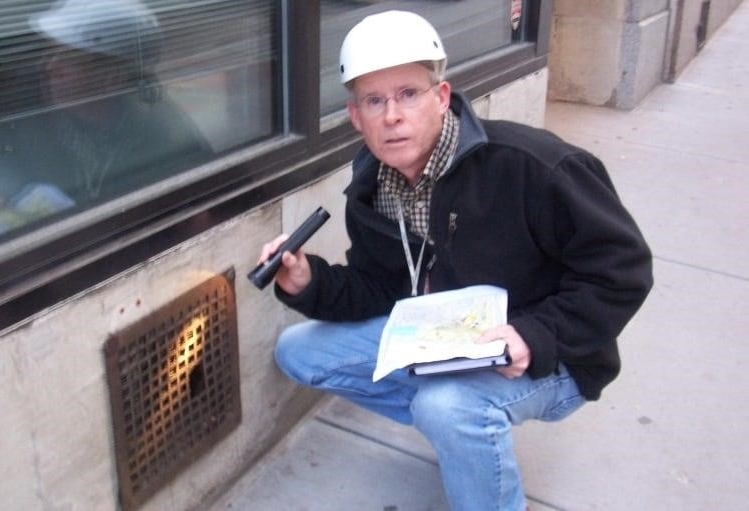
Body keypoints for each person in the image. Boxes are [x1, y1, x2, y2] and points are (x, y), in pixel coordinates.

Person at [257, 10, 653, 511]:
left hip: (555, 353)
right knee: (299, 352)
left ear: (441, 98)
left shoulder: (532, 166)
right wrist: (308, 280)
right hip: (443, 335)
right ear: (355, 117)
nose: (392, 116)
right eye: (374, 101)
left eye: (408, 94)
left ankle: (464, 431)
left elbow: (624, 269)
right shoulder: (372, 182)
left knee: (445, 405)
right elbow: (378, 287)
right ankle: (463, 433)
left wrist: (536, 335)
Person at [0, 0, 212, 245]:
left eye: (67, 59)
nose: (48, 67)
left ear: (111, 78)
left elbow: (196, 219)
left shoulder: (166, 138)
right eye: (50, 53)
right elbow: (8, 190)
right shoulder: (27, 126)